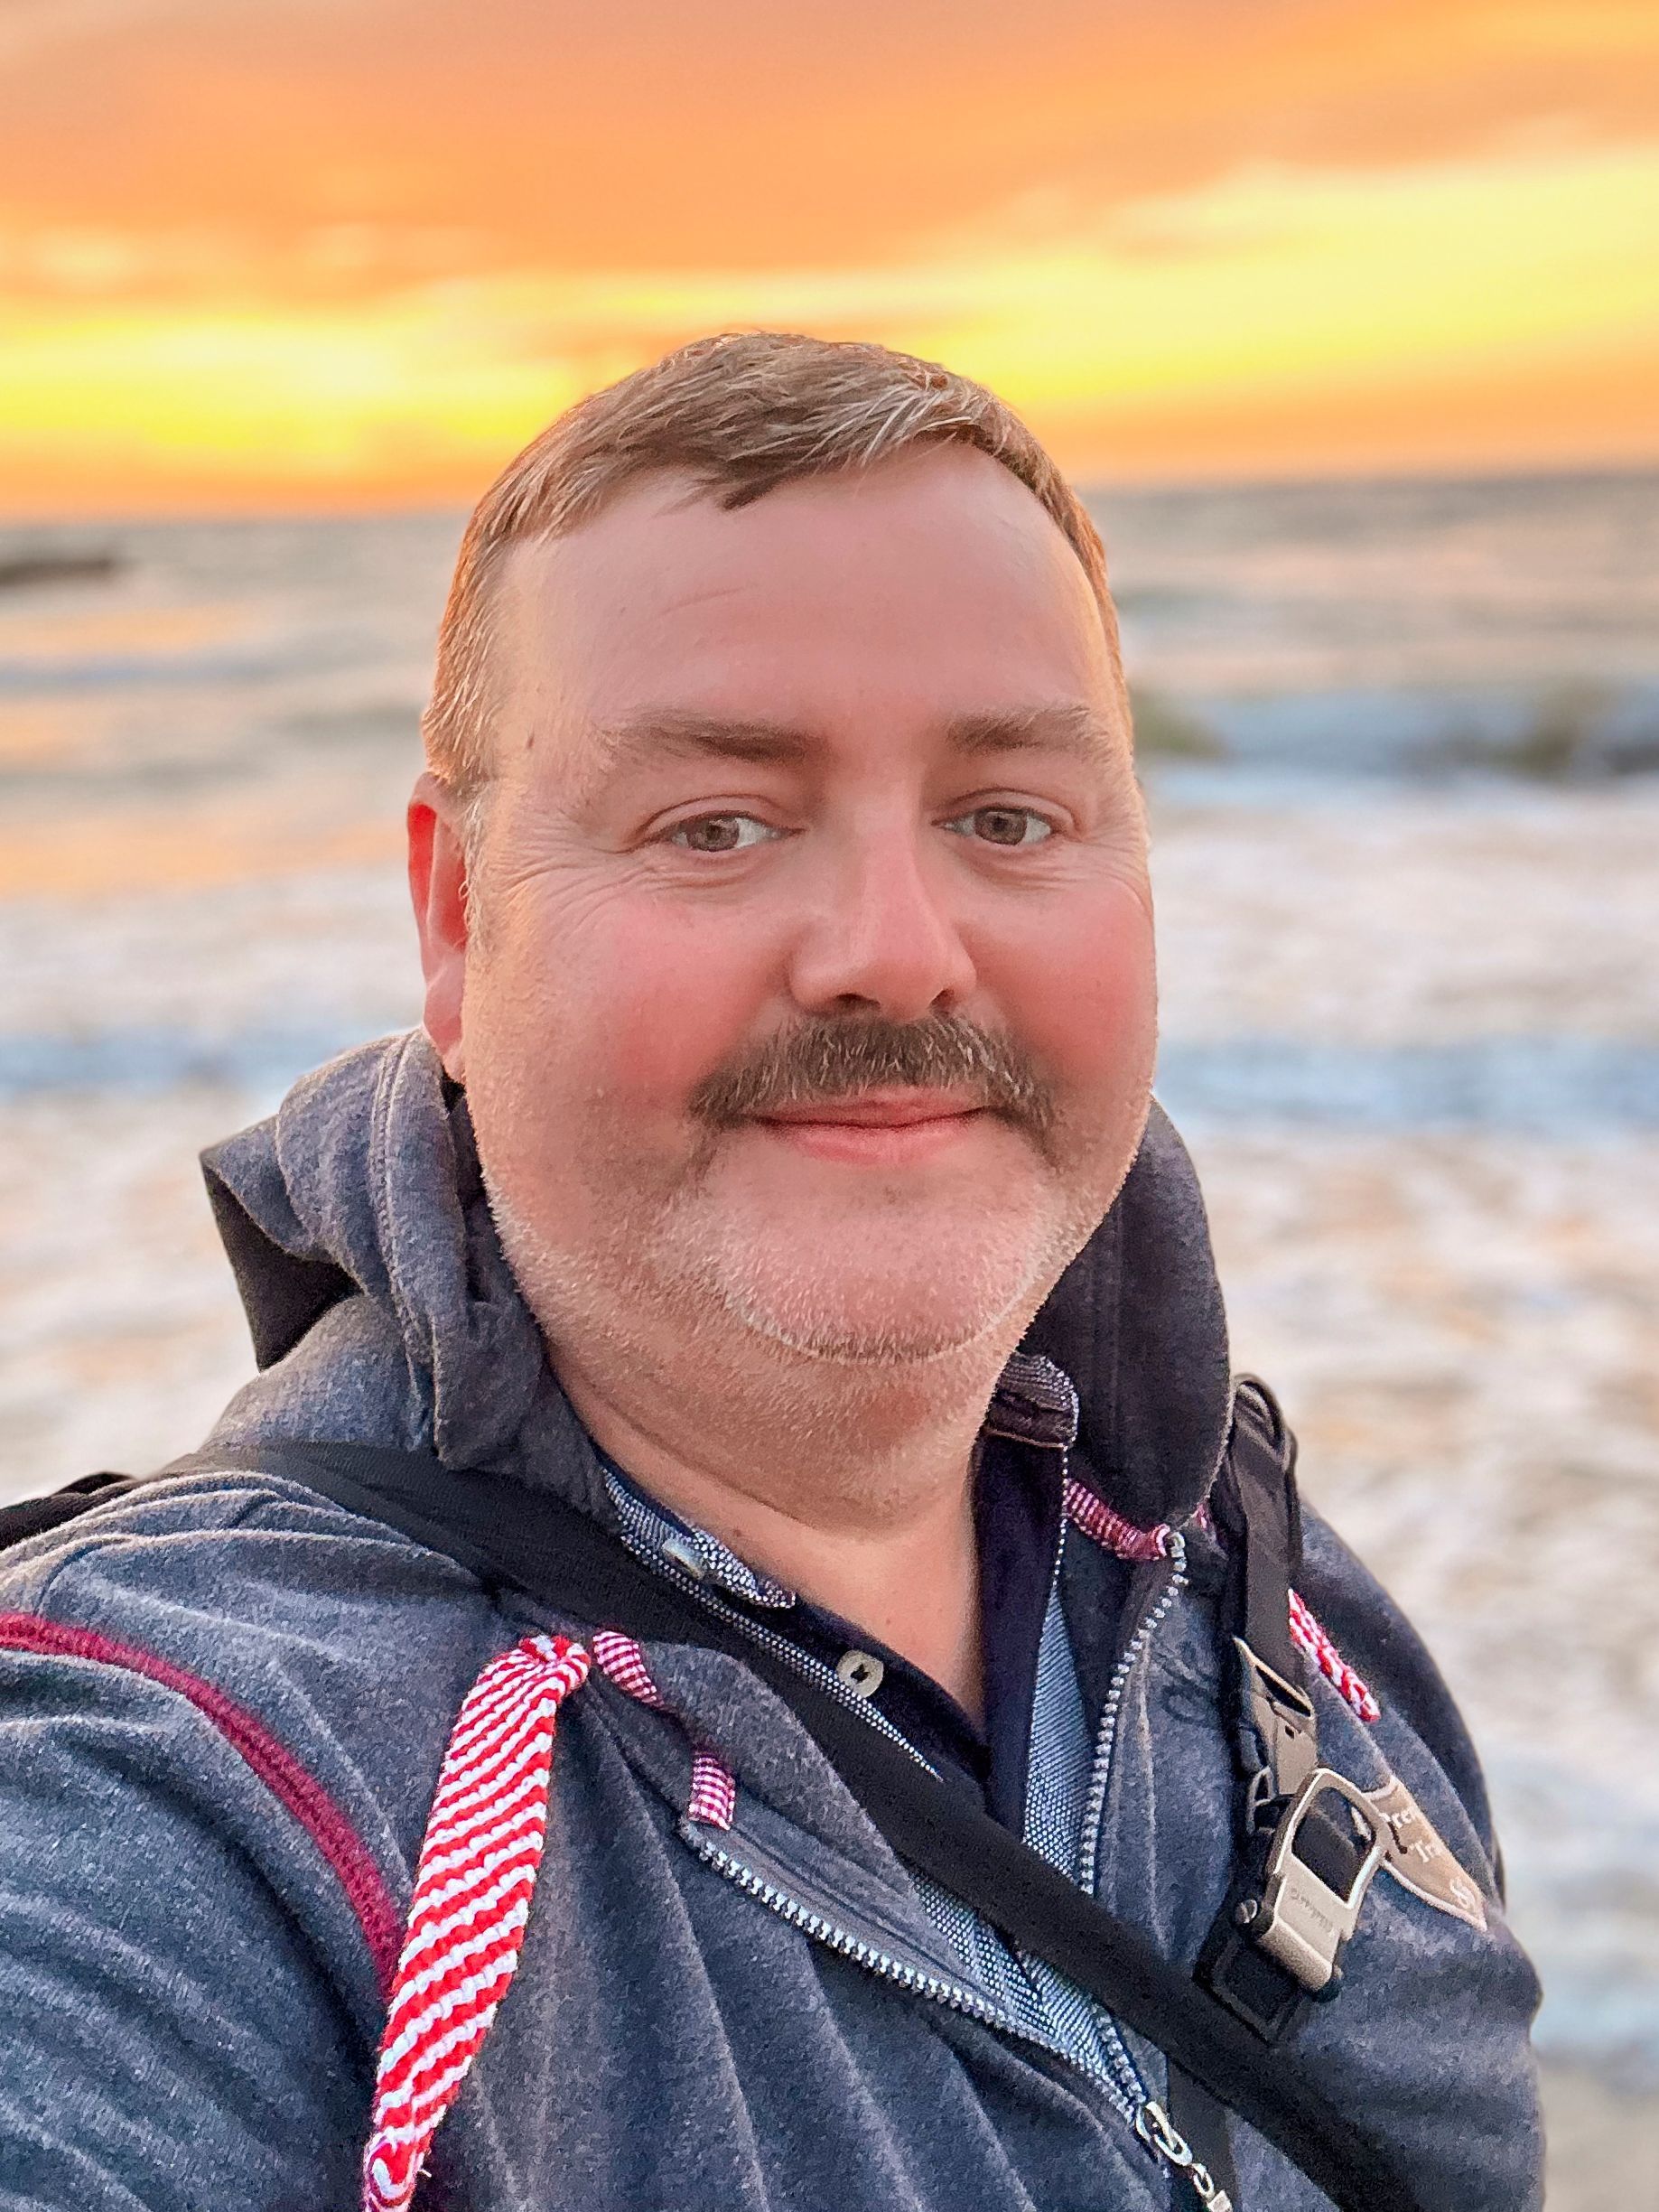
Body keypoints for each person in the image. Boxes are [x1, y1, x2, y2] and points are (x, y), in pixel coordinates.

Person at [0, 333, 1542, 2211]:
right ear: (458, 920)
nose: (894, 949)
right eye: (716, 825)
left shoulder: (1268, 1609)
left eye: (1006, 816)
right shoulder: (200, 1784)